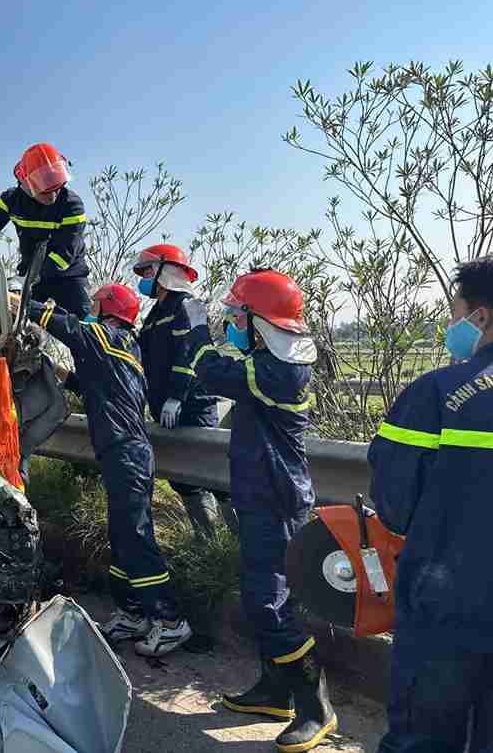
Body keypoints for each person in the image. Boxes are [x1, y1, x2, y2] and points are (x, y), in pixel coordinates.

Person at [182, 269, 337, 753]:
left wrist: (197, 332)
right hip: (261, 493)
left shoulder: (279, 370)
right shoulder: (268, 358)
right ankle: (274, 692)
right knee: (264, 596)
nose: (229, 321)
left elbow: (208, 368)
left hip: (276, 499)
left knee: (269, 602)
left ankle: (316, 707)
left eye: (235, 315)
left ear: (259, 321)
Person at [368, 252, 493, 753]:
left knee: (423, 740)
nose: (453, 325)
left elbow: (394, 506)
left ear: (480, 317)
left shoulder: (438, 393)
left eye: (455, 313)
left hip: (447, 610)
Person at [16, 283, 192, 656]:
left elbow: (62, 323)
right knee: (123, 537)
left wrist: (17, 301)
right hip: (124, 455)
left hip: (127, 455)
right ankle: (132, 614)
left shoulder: (105, 335)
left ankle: (171, 620)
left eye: (97, 304)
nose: (91, 308)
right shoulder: (121, 349)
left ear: (109, 309)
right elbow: (94, 385)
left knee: (135, 538)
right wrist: (58, 373)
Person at [132, 243, 235, 538]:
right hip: (165, 408)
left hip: (193, 405)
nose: (145, 277)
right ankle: (208, 541)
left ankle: (237, 543)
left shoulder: (186, 306)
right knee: (185, 478)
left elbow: (187, 355)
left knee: (213, 475)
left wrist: (177, 395)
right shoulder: (154, 314)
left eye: (149, 270)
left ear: (168, 272)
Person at [0, 143, 91, 317]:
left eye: (57, 187)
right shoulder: (11, 200)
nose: (53, 196)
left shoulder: (72, 205)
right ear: (26, 183)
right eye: (45, 190)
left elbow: (65, 253)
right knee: (10, 318)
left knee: (82, 322)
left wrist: (31, 278)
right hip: (31, 273)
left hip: (68, 275)